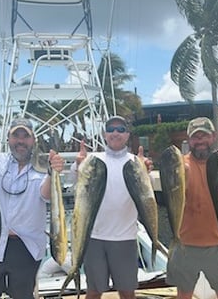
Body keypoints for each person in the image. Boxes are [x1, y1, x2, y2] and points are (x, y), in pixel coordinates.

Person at [0, 117, 64, 299]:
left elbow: (46, 195)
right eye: (15, 136)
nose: (20, 141)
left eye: (25, 136)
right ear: (8, 140)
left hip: (25, 247)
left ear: (33, 140)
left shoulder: (42, 167)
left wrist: (53, 172)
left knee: (23, 295)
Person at [166, 117, 218, 299]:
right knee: (184, 295)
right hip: (185, 244)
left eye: (204, 136)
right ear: (189, 140)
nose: (200, 141)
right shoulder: (181, 165)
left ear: (213, 137)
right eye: (196, 137)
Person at [70, 116, 153, 299]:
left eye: (121, 129)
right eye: (111, 129)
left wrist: (145, 170)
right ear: (104, 134)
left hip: (125, 237)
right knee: (94, 291)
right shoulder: (91, 160)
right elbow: (74, 181)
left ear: (128, 135)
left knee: (127, 292)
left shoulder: (136, 162)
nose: (116, 133)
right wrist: (78, 165)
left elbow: (147, 196)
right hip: (93, 238)